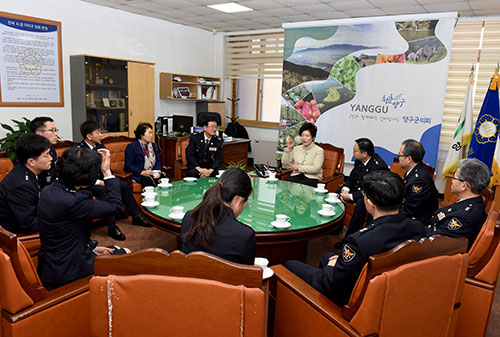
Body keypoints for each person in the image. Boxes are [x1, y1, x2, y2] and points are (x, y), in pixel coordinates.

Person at [284, 170, 427, 306]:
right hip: (389, 289)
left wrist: (331, 268)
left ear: (370, 203)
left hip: (352, 298)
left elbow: (332, 283)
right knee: (327, 256)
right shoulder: (418, 228)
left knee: (289, 264)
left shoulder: (359, 241)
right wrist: (339, 262)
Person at [37, 147, 129, 290]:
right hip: (70, 270)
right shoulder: (75, 201)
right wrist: (107, 172)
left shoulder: (49, 190)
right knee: (127, 255)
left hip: (51, 265)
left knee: (115, 250)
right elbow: (116, 206)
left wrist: (91, 248)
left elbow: (65, 231)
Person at [76, 121, 151, 241]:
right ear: (89, 136)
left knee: (124, 186)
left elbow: (107, 167)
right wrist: (100, 182)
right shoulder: (79, 151)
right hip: (89, 184)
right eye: (98, 132)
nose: (101, 135)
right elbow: (80, 174)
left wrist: (110, 179)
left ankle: (136, 216)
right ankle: (112, 227)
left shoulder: (100, 146)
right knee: (105, 192)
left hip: (104, 179)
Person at [181, 168, 256, 265]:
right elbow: (247, 274)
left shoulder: (189, 217)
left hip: (190, 279)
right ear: (238, 199)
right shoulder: (245, 235)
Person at [335, 138, 388, 248]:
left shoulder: (378, 166)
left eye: (355, 151)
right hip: (360, 190)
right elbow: (352, 177)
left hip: (372, 194)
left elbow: (371, 189)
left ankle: (349, 240)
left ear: (364, 154)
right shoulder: (359, 161)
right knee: (337, 193)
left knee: (361, 204)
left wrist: (350, 196)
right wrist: (346, 189)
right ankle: (335, 227)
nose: (353, 153)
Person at [428, 158, 490, 250]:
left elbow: (437, 245)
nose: (452, 181)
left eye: (454, 177)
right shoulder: (472, 201)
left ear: (464, 185)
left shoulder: (464, 217)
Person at [0, 134, 52, 234]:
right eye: (46, 155)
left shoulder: (26, 171)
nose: (51, 158)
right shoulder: (21, 184)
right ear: (31, 162)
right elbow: (29, 225)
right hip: (17, 235)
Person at [398, 139, 439, 225]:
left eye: (399, 155)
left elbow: (410, 209)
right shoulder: (414, 170)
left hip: (418, 221)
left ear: (409, 159)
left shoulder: (419, 180)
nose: (398, 158)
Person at [282, 123, 324, 187]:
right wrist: (288, 150)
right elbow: (285, 164)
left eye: (307, 136)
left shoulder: (319, 151)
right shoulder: (296, 149)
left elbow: (316, 169)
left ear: (313, 137)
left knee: (300, 186)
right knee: (285, 185)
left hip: (312, 178)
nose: (304, 138)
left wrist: (298, 168)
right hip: (296, 176)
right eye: (302, 135)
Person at [124, 122, 162, 187]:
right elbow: (128, 165)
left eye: (151, 133)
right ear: (141, 135)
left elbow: (158, 161)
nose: (151, 135)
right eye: (149, 133)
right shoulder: (132, 147)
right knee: (148, 181)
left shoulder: (153, 145)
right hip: (140, 174)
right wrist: (141, 172)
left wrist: (158, 171)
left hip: (152, 173)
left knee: (164, 179)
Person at [31, 116, 59, 188]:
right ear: (39, 133)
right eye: (52, 130)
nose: (56, 134)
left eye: (56, 130)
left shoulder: (51, 150)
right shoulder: (31, 151)